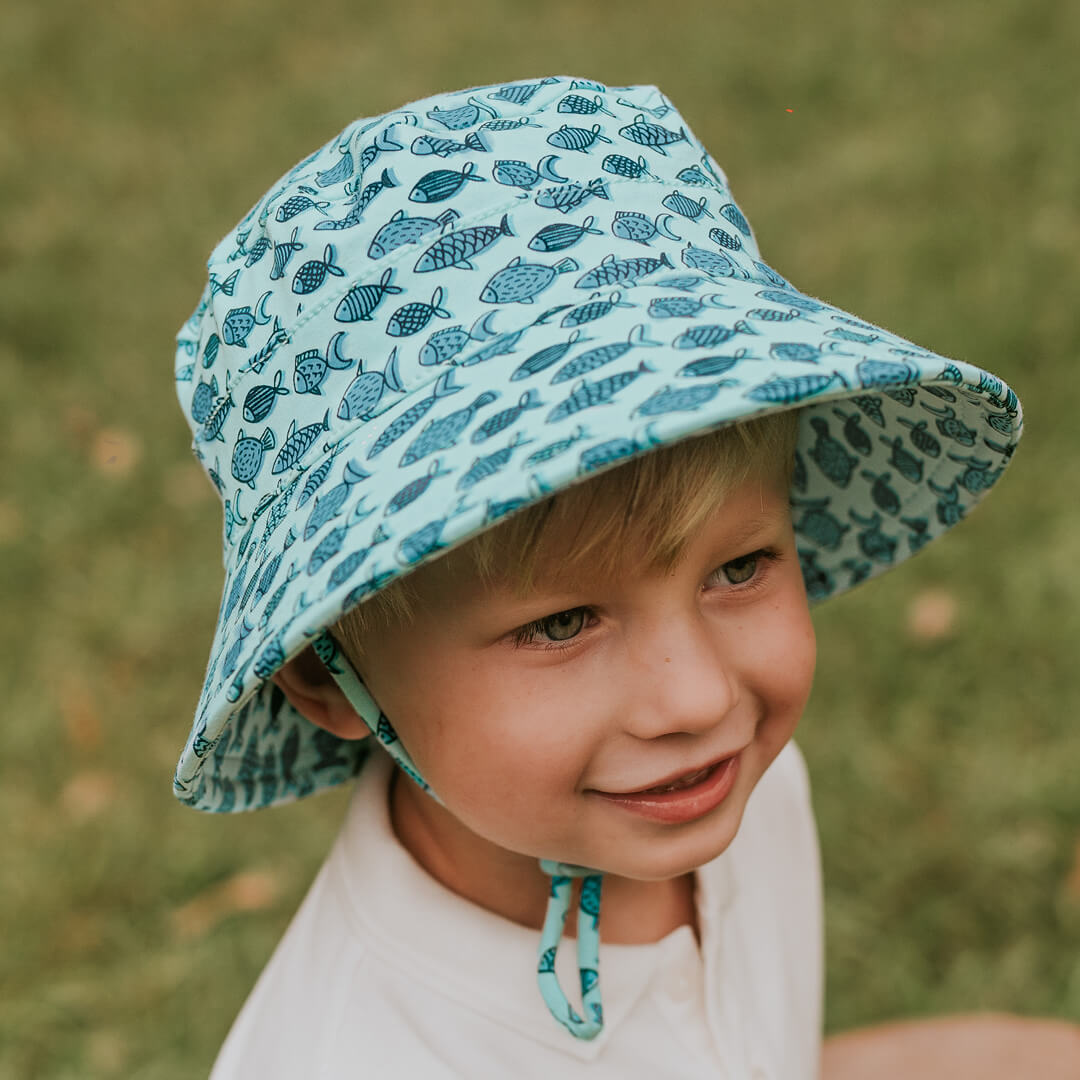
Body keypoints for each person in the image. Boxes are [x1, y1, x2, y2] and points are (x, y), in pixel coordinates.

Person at [172, 75, 1022, 1078]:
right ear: (323, 671)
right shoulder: (363, 1055)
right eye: (562, 623)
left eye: (740, 567)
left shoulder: (735, 792)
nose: (699, 695)